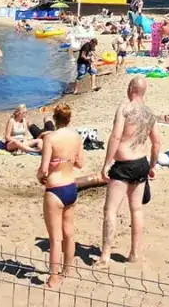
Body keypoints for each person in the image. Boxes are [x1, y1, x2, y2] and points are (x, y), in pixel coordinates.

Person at [98, 77, 160, 267]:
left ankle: (105, 255)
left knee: (110, 210)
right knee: (137, 210)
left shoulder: (125, 108)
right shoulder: (149, 113)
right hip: (141, 162)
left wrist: (107, 163)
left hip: (124, 164)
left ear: (131, 89)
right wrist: (152, 166)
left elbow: (116, 136)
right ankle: (134, 253)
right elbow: (157, 142)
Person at [38, 103, 83, 288]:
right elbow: (80, 163)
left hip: (55, 188)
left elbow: (43, 169)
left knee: (55, 237)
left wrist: (40, 176)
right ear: (69, 118)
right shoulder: (76, 136)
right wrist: (66, 160)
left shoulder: (50, 138)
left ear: (54, 119)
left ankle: (54, 277)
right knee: (69, 232)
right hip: (71, 186)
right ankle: (68, 269)